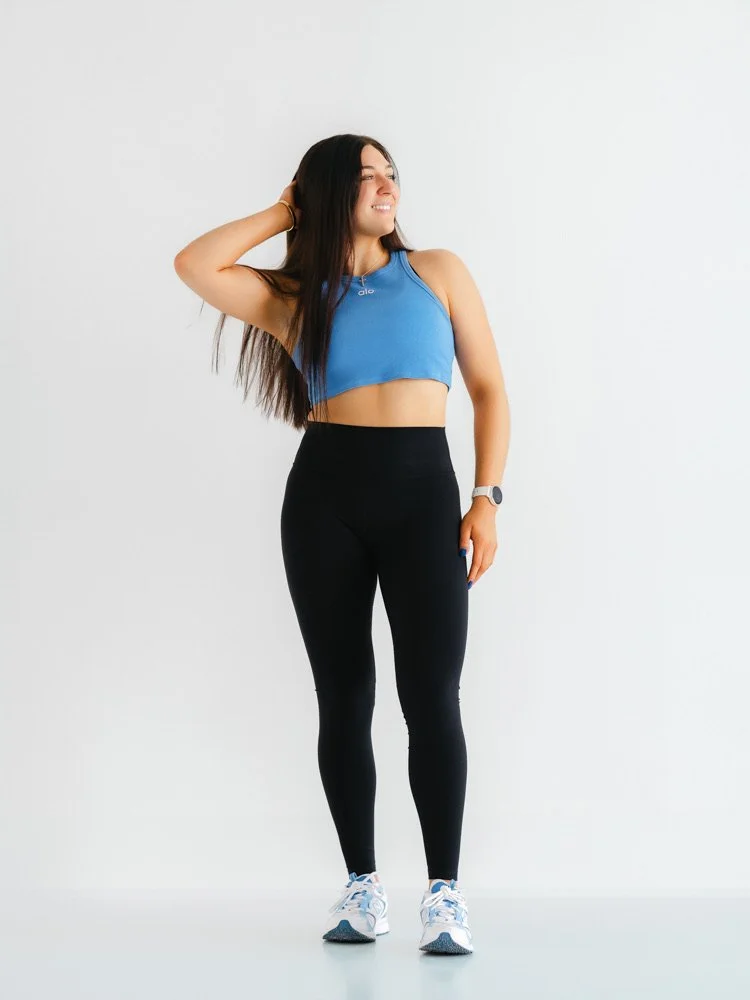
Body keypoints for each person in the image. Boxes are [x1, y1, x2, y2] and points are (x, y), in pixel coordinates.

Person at [173, 133, 510, 956]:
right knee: (344, 696)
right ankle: (363, 889)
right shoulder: (296, 297)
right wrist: (289, 209)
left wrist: (486, 497)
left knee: (432, 695)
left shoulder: (438, 272)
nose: (386, 186)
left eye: (391, 173)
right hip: (324, 499)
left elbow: (490, 388)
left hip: (425, 496)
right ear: (330, 191)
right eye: (364, 177)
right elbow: (195, 262)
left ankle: (444, 895)